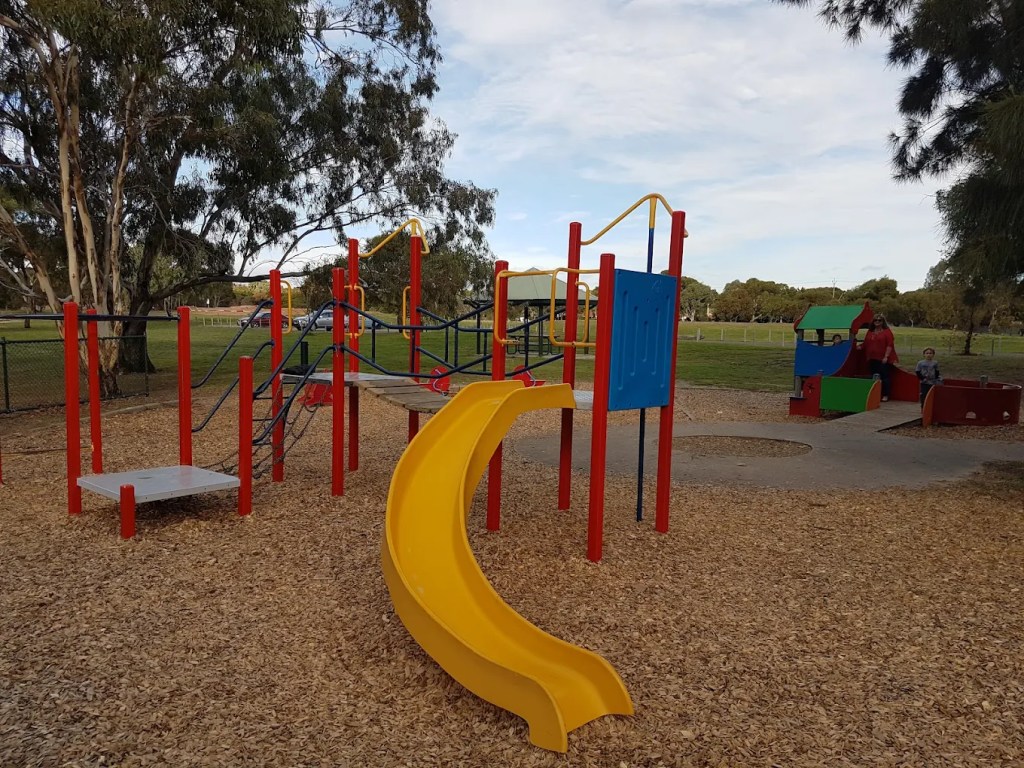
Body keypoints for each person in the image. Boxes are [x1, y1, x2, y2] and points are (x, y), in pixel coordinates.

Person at [860, 315, 897, 401]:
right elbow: (865, 344)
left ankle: (885, 395)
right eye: (875, 320)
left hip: (882, 359)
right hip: (872, 358)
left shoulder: (887, 332)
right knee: (874, 376)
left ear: (882, 322)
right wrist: (856, 346)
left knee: (885, 377)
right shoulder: (870, 332)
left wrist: (886, 356)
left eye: (879, 320)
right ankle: (875, 394)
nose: (877, 322)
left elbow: (889, 345)